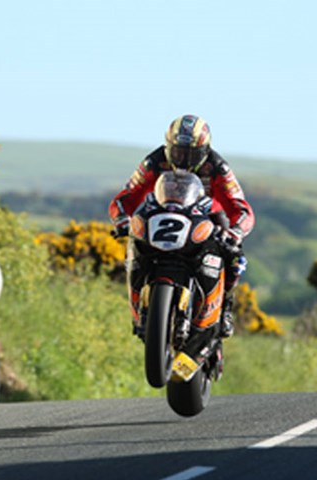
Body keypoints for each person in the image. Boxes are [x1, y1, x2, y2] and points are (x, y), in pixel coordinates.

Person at [109, 114, 255, 339]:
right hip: (161, 211)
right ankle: (139, 305)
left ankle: (225, 306)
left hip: (207, 217)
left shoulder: (218, 167)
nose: (184, 160)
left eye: (191, 154)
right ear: (168, 147)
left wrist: (235, 231)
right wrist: (122, 219)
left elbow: (242, 208)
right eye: (178, 152)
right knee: (134, 246)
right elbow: (125, 197)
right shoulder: (153, 162)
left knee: (234, 256)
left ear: (205, 151)